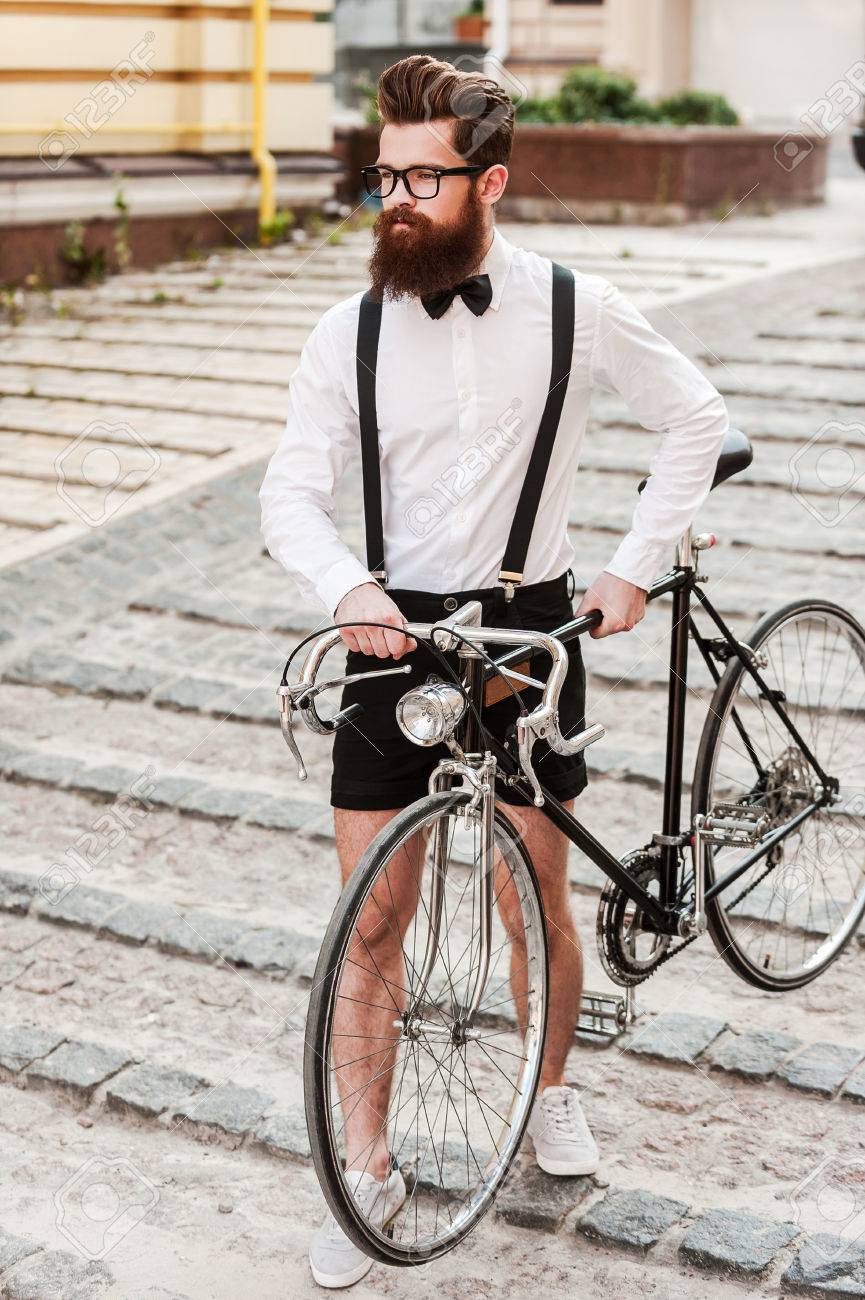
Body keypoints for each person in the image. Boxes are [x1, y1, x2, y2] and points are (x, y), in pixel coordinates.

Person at [260, 53, 730, 1289]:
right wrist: (348, 589)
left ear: (492, 183)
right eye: (384, 177)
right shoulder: (345, 328)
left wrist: (633, 564)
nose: (398, 199)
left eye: (425, 177)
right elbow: (289, 492)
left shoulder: (572, 307)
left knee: (537, 896)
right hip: (392, 635)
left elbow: (691, 414)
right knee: (373, 920)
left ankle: (551, 1082)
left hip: (532, 628)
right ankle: (368, 1165)